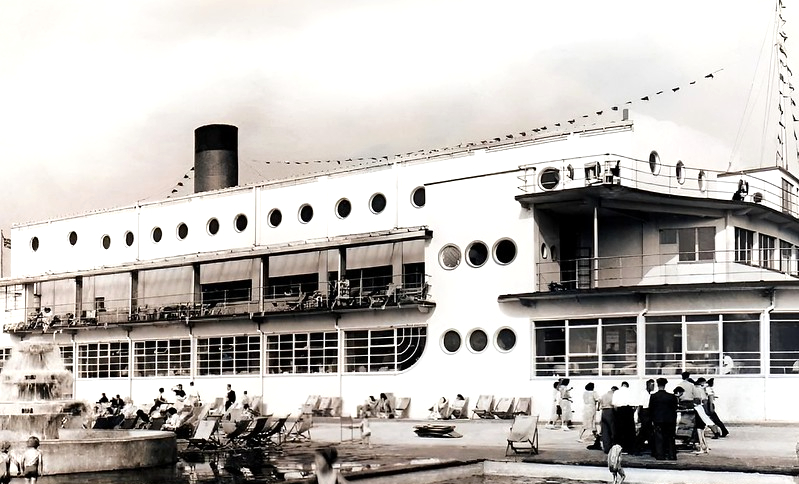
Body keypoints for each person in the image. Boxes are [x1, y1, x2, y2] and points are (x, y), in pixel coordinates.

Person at [649, 378, 678, 460]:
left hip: (658, 419)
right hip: (670, 419)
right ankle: (671, 455)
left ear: (657, 385)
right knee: (670, 438)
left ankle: (660, 455)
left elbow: (651, 409)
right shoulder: (671, 396)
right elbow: (675, 407)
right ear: (665, 385)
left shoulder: (653, 396)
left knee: (659, 438)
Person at [611, 381, 636, 452]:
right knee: (629, 430)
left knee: (619, 429)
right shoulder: (630, 391)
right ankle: (629, 447)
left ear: (621, 385)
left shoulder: (617, 392)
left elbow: (614, 404)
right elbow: (634, 404)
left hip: (620, 410)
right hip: (629, 410)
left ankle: (619, 446)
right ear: (627, 386)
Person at [635, 379, 655, 454]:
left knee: (646, 431)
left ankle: (640, 446)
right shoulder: (644, 393)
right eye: (652, 385)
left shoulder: (649, 394)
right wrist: (639, 416)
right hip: (644, 412)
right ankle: (637, 447)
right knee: (645, 431)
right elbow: (640, 405)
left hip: (648, 412)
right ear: (648, 385)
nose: (653, 387)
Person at [599, 386, 617, 453]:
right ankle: (612, 447)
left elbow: (599, 402)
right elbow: (615, 404)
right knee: (612, 429)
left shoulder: (604, 395)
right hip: (611, 411)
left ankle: (606, 448)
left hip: (604, 411)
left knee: (605, 431)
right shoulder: (614, 395)